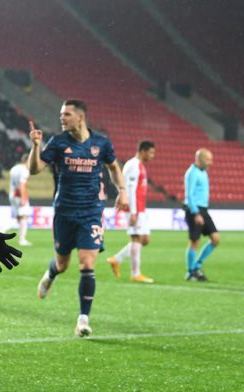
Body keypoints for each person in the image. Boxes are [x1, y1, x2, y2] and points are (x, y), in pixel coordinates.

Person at [29, 100, 128, 337]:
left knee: (87, 263)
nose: (62, 118)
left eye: (67, 114)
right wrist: (35, 146)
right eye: (61, 114)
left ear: (80, 118)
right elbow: (34, 169)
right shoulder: (58, 142)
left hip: (91, 212)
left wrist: (122, 190)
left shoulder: (101, 143)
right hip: (64, 212)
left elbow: (114, 167)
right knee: (63, 264)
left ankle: (83, 319)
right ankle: (51, 273)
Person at [106, 140, 155, 283]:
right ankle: (136, 274)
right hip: (134, 208)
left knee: (144, 239)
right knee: (136, 238)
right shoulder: (134, 166)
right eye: (151, 152)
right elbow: (131, 190)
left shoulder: (139, 165)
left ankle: (117, 259)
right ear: (143, 151)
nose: (152, 156)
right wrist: (133, 211)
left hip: (140, 208)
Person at [183, 148, 218, 282]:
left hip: (203, 209)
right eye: (208, 159)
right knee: (194, 242)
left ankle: (196, 266)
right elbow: (189, 195)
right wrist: (196, 213)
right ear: (199, 159)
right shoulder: (192, 173)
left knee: (215, 239)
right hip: (194, 210)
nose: (211, 163)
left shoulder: (203, 172)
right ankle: (191, 272)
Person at [9, 153, 32, 246]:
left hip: (12, 194)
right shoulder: (25, 170)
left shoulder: (14, 168)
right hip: (19, 195)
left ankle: (1, 229)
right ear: (27, 160)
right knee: (24, 217)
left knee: (18, 217)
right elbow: (22, 184)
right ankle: (22, 239)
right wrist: (24, 198)